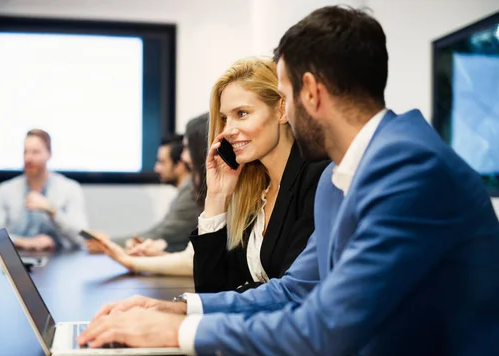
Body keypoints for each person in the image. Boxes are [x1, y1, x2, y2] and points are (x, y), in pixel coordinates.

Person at [78, 6, 499, 356]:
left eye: (285, 95)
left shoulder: (411, 169)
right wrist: (181, 308)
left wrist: (179, 332)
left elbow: (324, 330)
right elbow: (295, 290)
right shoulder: (338, 175)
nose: (285, 109)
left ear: (310, 92)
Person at [189, 57, 329, 292]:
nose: (228, 130)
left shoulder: (317, 177)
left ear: (282, 110)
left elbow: (296, 290)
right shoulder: (254, 189)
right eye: (225, 118)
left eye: (242, 113)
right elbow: (212, 291)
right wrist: (217, 198)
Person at [94, 113, 209, 276]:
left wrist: (114, 246)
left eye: (187, 149)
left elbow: (167, 237)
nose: (183, 157)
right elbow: (191, 258)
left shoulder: (196, 192)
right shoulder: (198, 190)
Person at [90, 133, 203, 254]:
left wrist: (108, 243)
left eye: (162, 162)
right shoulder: (185, 192)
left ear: (180, 165)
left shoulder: (191, 193)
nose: (156, 168)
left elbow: (164, 234)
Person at [0, 129, 88, 251]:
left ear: (49, 154)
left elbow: (81, 237)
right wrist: (25, 242)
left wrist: (52, 210)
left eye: (35, 152)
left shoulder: (70, 189)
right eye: (25, 152)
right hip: (16, 262)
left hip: (59, 262)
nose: (28, 158)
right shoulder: (6, 190)